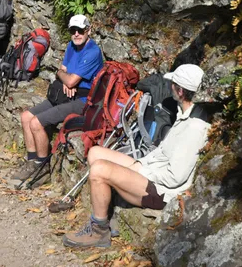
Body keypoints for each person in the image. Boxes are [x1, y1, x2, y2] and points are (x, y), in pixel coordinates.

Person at [63, 64, 209, 248]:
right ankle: (110, 212)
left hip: (161, 191)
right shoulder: (183, 115)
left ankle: (99, 231)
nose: (170, 86)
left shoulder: (195, 127)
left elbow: (175, 177)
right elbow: (161, 153)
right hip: (151, 171)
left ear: (180, 91)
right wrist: (139, 165)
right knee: (96, 153)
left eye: (172, 83)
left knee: (99, 170)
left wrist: (140, 171)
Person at [11, 14, 104, 183]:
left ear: (88, 30)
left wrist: (65, 78)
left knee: (37, 122)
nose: (76, 34)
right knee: (26, 117)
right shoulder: (71, 46)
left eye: (80, 30)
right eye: (73, 30)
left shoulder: (92, 52)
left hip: (82, 101)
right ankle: (32, 161)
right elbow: (63, 70)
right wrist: (65, 78)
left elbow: (69, 78)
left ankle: (42, 167)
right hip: (65, 95)